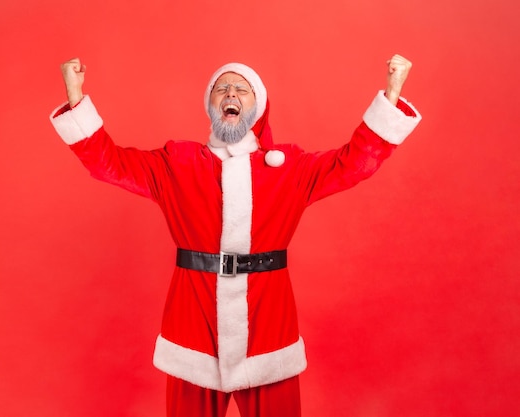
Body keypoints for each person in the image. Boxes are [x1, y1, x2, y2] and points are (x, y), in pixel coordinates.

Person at [50, 55, 421, 417]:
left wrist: (391, 94)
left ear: (258, 108)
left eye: (242, 90)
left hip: (269, 327)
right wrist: (75, 96)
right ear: (210, 105)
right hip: (192, 326)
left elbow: (353, 163)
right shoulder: (175, 163)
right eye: (222, 89)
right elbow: (108, 164)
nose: (231, 94)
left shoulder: (289, 168)